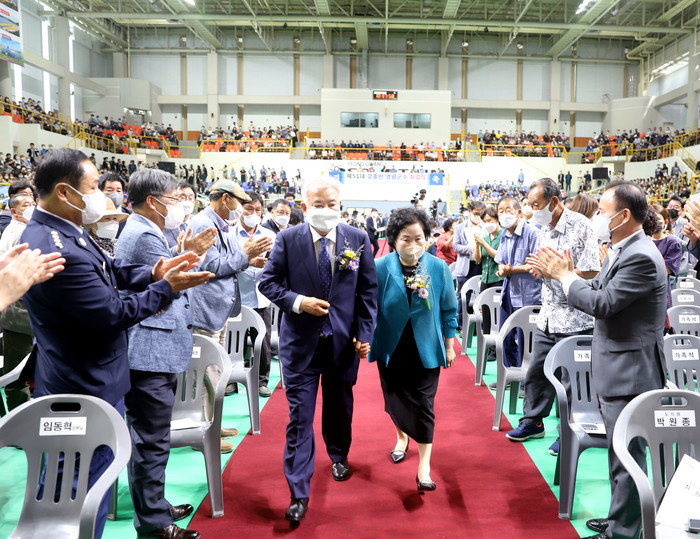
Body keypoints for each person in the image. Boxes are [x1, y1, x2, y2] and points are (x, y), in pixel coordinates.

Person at [21, 148, 211, 539]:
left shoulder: (69, 231)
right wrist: (166, 288)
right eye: (94, 187)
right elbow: (111, 313)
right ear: (65, 191)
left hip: (95, 376)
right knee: (77, 496)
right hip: (81, 382)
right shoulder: (54, 244)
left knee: (94, 483)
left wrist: (153, 273)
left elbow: (109, 270)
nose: (104, 197)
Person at [533, 181, 667, 539]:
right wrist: (569, 275)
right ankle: (621, 519)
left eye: (602, 213)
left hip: (631, 373)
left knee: (626, 456)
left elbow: (603, 305)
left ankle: (623, 531)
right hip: (619, 369)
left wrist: (566, 277)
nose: (596, 219)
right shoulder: (624, 249)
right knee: (618, 453)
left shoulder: (640, 256)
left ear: (623, 216)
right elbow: (598, 289)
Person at [259, 177, 378, 524]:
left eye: (332, 204)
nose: (326, 210)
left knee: (339, 408)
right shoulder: (287, 239)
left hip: (342, 345)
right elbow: (268, 282)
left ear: (341, 206)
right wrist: (298, 302)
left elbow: (367, 292)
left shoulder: (357, 238)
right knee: (300, 418)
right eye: (319, 205)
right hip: (300, 345)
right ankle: (298, 492)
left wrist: (363, 333)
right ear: (305, 206)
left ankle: (338, 455)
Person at [114, 169, 216, 539]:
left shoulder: (145, 228)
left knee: (151, 437)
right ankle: (154, 522)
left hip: (153, 346)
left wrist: (184, 253)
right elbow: (169, 282)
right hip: (149, 349)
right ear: (154, 201)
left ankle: (154, 504)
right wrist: (192, 256)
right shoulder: (143, 233)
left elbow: (157, 273)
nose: (182, 204)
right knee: (151, 439)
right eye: (176, 198)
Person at [506, 178, 600, 455]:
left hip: (576, 317)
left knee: (571, 380)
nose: (532, 210)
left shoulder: (581, 226)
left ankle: (570, 432)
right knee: (537, 372)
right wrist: (539, 270)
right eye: (530, 205)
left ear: (554, 201)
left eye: (536, 205)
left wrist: (559, 273)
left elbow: (592, 271)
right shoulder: (543, 228)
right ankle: (532, 422)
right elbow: (546, 266)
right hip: (548, 315)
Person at [368, 207, 457, 491]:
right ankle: (401, 437)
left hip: (425, 348)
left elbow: (449, 310)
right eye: (406, 239)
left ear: (427, 238)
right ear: (394, 239)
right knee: (395, 399)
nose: (413, 244)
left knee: (423, 405)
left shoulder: (438, 268)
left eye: (419, 238)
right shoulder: (380, 267)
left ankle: (424, 468)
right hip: (391, 347)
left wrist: (450, 345)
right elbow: (369, 308)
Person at [189, 180, 271, 451]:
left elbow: (228, 262)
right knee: (207, 373)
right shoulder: (204, 224)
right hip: (207, 308)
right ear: (226, 199)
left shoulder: (220, 224)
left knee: (216, 369)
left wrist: (248, 259)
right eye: (241, 202)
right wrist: (246, 255)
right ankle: (203, 432)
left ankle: (212, 423)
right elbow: (212, 267)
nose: (242, 208)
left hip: (219, 308)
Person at [233, 191, 277, 397]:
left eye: (258, 210)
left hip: (261, 297)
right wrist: (247, 261)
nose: (253, 213)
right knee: (235, 342)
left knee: (263, 342)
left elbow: (277, 265)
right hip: (236, 296)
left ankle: (261, 381)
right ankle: (231, 380)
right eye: (249, 209)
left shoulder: (269, 236)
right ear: (240, 209)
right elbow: (226, 263)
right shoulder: (230, 234)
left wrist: (267, 266)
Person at [494, 196, 541, 370]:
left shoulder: (532, 233)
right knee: (505, 335)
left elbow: (537, 265)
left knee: (525, 339)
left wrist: (512, 270)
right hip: (508, 291)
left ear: (519, 212)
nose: (504, 214)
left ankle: (525, 379)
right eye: (500, 211)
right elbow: (500, 260)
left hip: (528, 294)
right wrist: (502, 269)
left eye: (508, 210)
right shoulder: (504, 234)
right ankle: (509, 373)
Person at [473, 205, 503, 353]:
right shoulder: (484, 238)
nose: (487, 224)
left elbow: (498, 256)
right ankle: (487, 347)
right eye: (484, 221)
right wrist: (477, 245)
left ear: (497, 220)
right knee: (486, 314)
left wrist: (483, 244)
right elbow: (478, 259)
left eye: (490, 220)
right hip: (485, 281)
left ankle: (497, 348)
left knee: (498, 315)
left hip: (498, 280)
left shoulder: (504, 236)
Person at [644, 204, 682, 313]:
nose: (654, 222)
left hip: (660, 294)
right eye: (651, 219)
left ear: (666, 222)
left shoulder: (672, 243)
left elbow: (666, 270)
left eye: (658, 219)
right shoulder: (643, 241)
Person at [164, 182, 197, 250]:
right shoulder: (165, 223)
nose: (187, 201)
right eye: (183, 197)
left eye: (190, 198)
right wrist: (178, 248)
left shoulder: (198, 222)